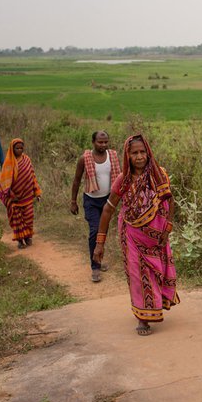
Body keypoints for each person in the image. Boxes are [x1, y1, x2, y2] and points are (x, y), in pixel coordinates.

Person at [94, 134, 179, 335]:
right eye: (134, 153)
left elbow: (170, 201)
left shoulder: (159, 175)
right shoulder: (123, 180)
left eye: (142, 152)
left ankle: (156, 304)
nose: (139, 156)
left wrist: (167, 228)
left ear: (148, 153)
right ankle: (142, 318)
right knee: (137, 275)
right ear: (128, 156)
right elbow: (108, 209)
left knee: (157, 272)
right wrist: (100, 243)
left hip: (157, 237)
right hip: (131, 234)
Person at [70, 131, 121, 282]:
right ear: (93, 142)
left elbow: (120, 177)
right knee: (94, 231)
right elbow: (76, 180)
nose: (103, 145)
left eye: (105, 142)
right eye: (100, 142)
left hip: (107, 200)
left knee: (102, 232)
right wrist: (73, 201)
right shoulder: (84, 158)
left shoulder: (112, 156)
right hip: (91, 200)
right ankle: (95, 267)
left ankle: (98, 259)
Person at [0, 139, 42, 249]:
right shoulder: (8, 163)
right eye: (17, 148)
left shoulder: (27, 159)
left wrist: (37, 192)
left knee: (28, 217)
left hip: (27, 195)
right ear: (12, 149)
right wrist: (11, 193)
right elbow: (4, 181)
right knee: (17, 219)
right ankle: (20, 240)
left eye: (21, 148)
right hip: (14, 198)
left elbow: (32, 176)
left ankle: (27, 236)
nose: (19, 150)